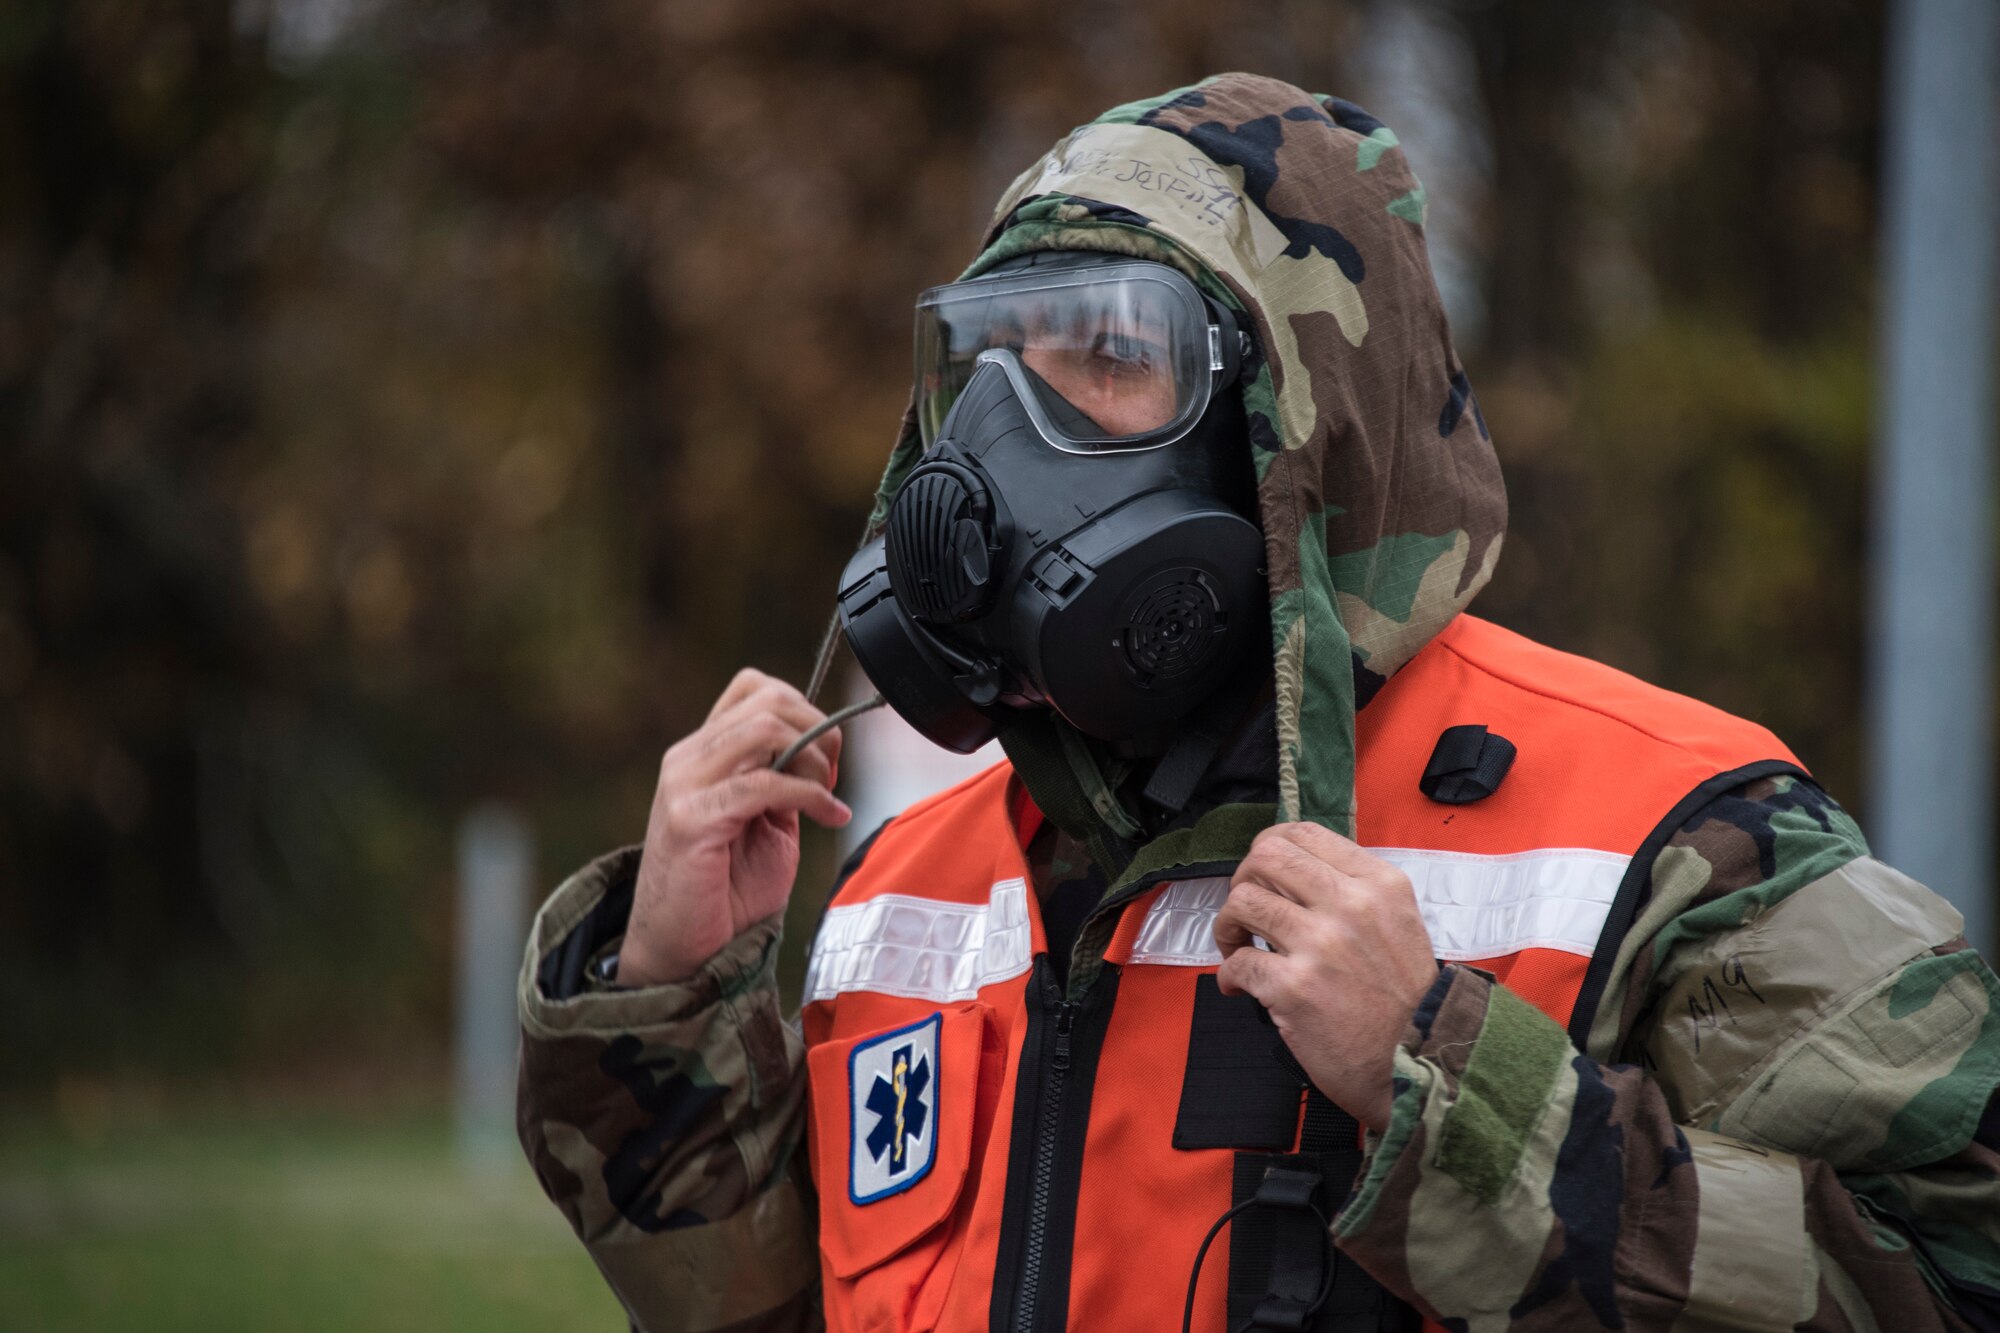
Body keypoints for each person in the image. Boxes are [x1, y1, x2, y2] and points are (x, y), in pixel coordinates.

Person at [515, 73, 2000, 1333]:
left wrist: (1451, 1081)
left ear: (1296, 427)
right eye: (987, 357)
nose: (1006, 434)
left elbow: (1953, 1276)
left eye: (1105, 353)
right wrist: (668, 1008)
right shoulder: (918, 882)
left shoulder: (1667, 833)